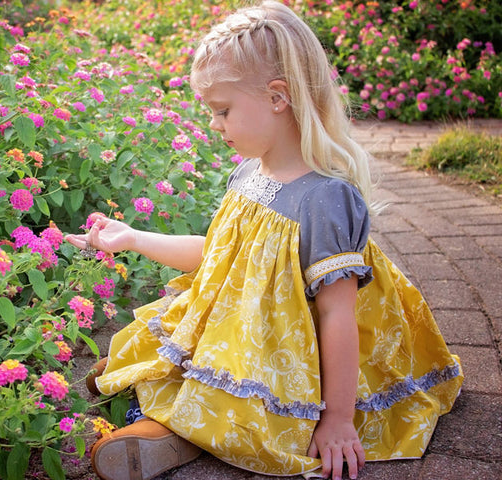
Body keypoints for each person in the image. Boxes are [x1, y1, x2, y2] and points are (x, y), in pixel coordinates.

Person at [65, 2, 463, 479]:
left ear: (278, 97)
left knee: (236, 389)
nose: (215, 126)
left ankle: (170, 434)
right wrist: (132, 237)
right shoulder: (249, 174)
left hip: (298, 357)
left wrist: (336, 418)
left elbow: (338, 314)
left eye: (223, 111)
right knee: (197, 346)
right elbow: (214, 256)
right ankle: (159, 389)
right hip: (248, 331)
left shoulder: (324, 197)